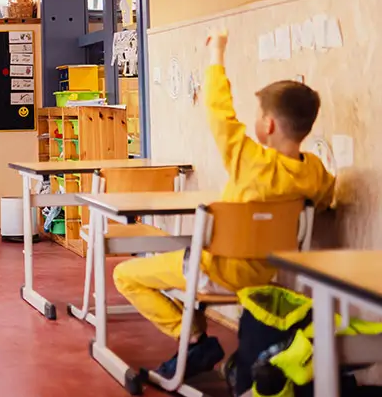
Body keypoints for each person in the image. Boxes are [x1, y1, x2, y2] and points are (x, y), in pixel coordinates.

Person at [112, 29, 335, 380]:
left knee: (125, 275)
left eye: (260, 115)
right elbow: (325, 200)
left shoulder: (249, 160)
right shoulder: (316, 173)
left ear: (269, 124)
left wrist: (216, 53)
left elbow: (220, 113)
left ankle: (197, 341)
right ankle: (198, 340)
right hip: (267, 276)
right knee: (178, 265)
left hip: (215, 272)